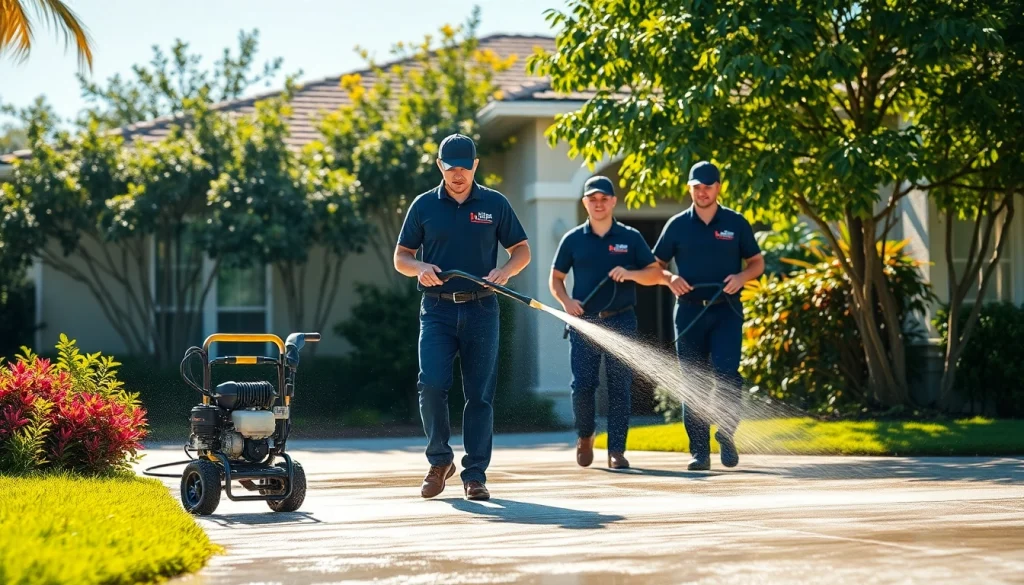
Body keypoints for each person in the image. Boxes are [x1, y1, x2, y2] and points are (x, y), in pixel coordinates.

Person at [394, 133, 531, 501]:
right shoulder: (423, 206)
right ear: (440, 166)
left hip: (482, 307)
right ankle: (440, 461)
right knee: (432, 385)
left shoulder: (494, 204)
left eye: (463, 167)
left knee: (479, 395)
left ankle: (475, 474)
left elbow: (522, 250)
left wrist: (506, 271)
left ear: (475, 165)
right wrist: (419, 266)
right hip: (437, 310)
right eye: (450, 167)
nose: (457, 174)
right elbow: (401, 257)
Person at [653, 161, 764, 471]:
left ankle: (727, 435)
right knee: (693, 381)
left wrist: (742, 278)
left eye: (708, 186)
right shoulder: (676, 225)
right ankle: (699, 453)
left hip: (726, 312)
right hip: (688, 313)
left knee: (727, 375)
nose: (702, 192)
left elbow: (756, 262)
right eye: (697, 187)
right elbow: (655, 266)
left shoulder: (736, 223)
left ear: (718, 187)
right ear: (690, 188)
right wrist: (669, 279)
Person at [549, 176, 663, 470]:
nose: (598, 204)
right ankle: (585, 436)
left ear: (613, 201)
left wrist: (630, 273)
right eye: (592, 199)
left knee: (620, 387)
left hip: (622, 319)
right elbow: (556, 280)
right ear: (585, 203)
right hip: (584, 320)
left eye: (604, 199)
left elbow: (654, 274)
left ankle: (617, 451)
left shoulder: (631, 237)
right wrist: (566, 303)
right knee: (583, 386)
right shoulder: (573, 239)